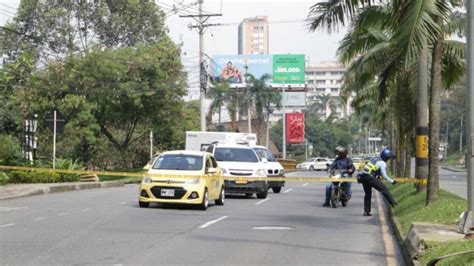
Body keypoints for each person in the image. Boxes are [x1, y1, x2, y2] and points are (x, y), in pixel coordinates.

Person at [358, 148, 398, 216]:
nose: (389, 160)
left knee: (367, 194)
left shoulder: (375, 159)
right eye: (389, 159)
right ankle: (394, 205)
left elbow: (374, 169)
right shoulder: (382, 163)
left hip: (362, 177)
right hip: (369, 177)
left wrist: (377, 176)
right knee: (385, 189)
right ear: (386, 157)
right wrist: (392, 181)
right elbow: (384, 175)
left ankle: (366, 211)